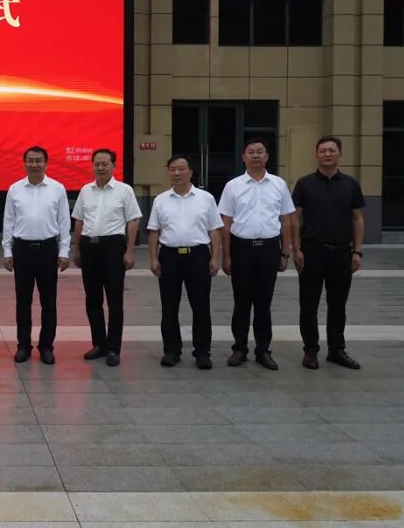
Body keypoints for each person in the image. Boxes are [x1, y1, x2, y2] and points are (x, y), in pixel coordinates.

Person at [218, 139, 296, 371]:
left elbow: (286, 220)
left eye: (260, 152)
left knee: (264, 303)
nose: (255, 156)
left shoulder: (279, 184)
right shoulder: (233, 186)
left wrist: (285, 252)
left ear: (267, 156)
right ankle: (239, 348)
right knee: (241, 302)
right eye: (251, 152)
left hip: (269, 249)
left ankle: (263, 350)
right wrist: (226, 255)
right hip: (241, 248)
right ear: (243, 157)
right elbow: (225, 223)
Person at [292, 135, 366, 370]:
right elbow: (295, 218)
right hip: (312, 251)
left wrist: (358, 251)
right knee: (309, 303)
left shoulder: (351, 184)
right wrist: (296, 249)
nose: (327, 154)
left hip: (342, 252)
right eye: (323, 150)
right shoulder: (304, 184)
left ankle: (336, 349)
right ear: (316, 154)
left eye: (332, 150)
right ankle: (311, 350)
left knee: (338, 304)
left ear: (339, 155)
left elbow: (357, 218)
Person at [147, 154, 223, 369]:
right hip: (169, 256)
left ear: (191, 171)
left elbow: (214, 230)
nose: (177, 173)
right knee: (169, 307)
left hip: (198, 256)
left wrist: (215, 257)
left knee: (201, 306)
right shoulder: (160, 200)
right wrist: (153, 258)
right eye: (172, 169)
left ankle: (202, 352)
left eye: (181, 169)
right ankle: (171, 351)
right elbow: (153, 231)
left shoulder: (206, 198)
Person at [71, 148, 142, 367]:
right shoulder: (86, 190)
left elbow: (133, 221)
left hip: (113, 246)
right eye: (97, 164)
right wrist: (77, 249)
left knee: (114, 300)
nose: (100, 167)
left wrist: (129, 251)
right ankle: (99, 344)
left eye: (105, 164)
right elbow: (79, 220)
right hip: (89, 246)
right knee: (92, 299)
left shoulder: (124, 190)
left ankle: (113, 348)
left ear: (114, 166)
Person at [2, 146, 71, 365]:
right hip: (22, 250)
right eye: (30, 161)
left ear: (46, 163)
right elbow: (8, 221)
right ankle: (23, 346)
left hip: (48, 249)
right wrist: (7, 250)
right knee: (23, 301)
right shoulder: (15, 189)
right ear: (24, 164)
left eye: (38, 161)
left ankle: (46, 346)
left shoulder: (57, 189)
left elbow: (64, 222)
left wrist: (64, 251)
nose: (34, 164)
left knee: (48, 301)